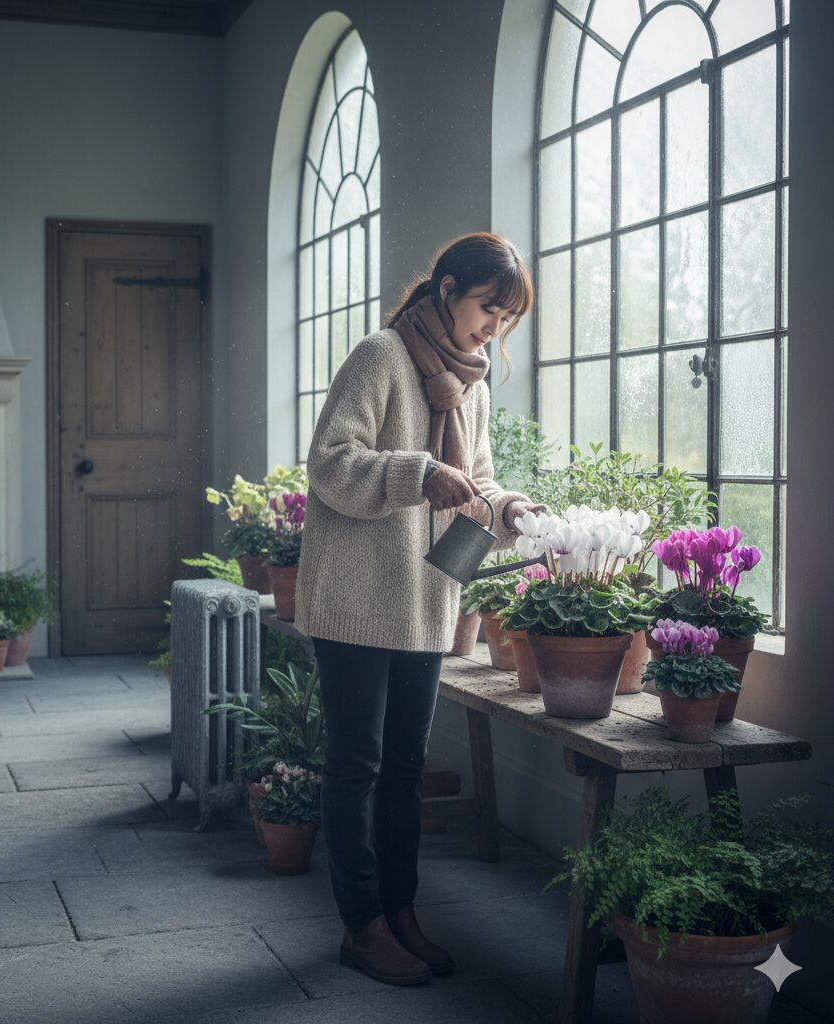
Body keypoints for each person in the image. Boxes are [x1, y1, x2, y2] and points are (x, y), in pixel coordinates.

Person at [293, 232, 543, 987]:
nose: (492, 329)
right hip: (355, 600)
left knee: (404, 769)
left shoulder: (474, 387)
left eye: (505, 319)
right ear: (445, 288)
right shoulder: (380, 356)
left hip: (429, 597)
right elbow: (330, 463)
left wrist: (513, 512)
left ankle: (400, 914)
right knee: (356, 765)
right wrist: (419, 471)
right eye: (485, 309)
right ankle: (361, 926)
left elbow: (481, 486)